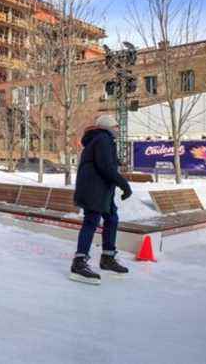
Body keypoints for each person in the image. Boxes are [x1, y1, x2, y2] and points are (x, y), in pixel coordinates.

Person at [70, 115, 132, 285]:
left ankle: (107, 258)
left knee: (112, 218)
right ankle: (79, 262)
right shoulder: (103, 139)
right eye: (116, 126)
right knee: (91, 221)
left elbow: (104, 162)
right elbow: (105, 167)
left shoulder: (102, 140)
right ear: (107, 127)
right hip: (94, 189)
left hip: (103, 189)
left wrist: (116, 162)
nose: (118, 129)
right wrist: (124, 185)